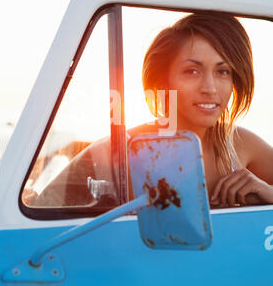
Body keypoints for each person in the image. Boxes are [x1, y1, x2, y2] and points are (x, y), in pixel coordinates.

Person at [28, 12, 273, 209]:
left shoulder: (240, 144)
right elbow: (36, 214)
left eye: (223, 72)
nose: (210, 88)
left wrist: (267, 192)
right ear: (163, 79)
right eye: (192, 71)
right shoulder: (119, 150)